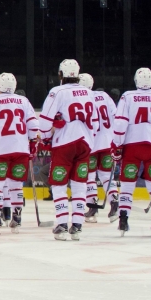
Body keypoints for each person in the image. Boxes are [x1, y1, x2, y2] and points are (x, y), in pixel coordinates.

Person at [111, 68, 151, 237]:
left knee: (127, 185)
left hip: (132, 147)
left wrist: (117, 144)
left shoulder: (128, 96)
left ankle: (123, 220)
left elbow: (120, 122)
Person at [37, 59, 94, 241]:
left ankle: (61, 224)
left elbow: (44, 121)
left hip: (65, 143)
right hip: (85, 143)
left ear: (61, 74)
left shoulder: (57, 91)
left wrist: (46, 137)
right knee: (79, 185)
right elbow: (95, 122)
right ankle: (77, 225)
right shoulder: (89, 92)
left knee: (59, 184)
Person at [0, 73, 39, 234]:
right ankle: (16, 219)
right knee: (16, 185)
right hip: (21, 150)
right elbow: (33, 126)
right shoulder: (24, 101)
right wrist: (33, 143)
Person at [79, 73, 119, 223]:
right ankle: (114, 203)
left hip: (92, 143)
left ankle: (93, 208)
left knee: (89, 176)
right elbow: (116, 116)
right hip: (108, 142)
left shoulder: (82, 98)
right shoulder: (104, 96)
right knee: (107, 176)